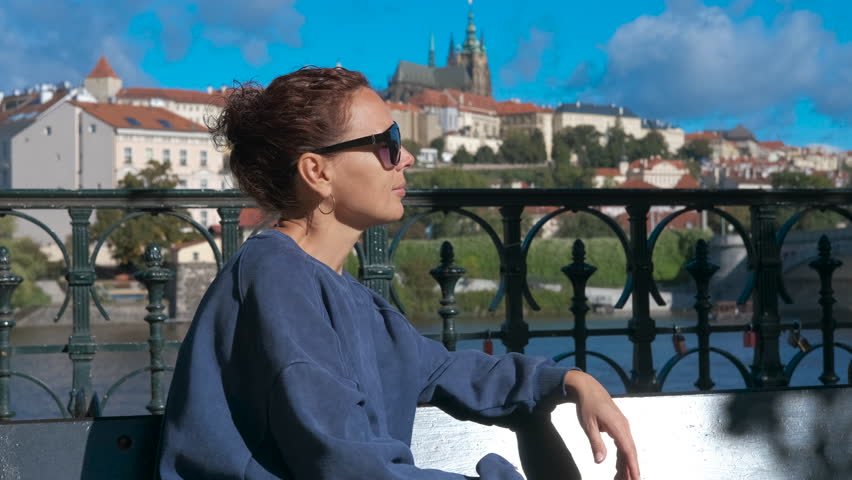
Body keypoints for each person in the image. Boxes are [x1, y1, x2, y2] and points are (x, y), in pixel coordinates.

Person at [157, 66, 639, 480]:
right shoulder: (278, 282)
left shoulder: (342, 292)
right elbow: (348, 463)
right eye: (388, 144)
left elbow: (441, 368)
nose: (406, 157)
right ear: (316, 172)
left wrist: (569, 381)